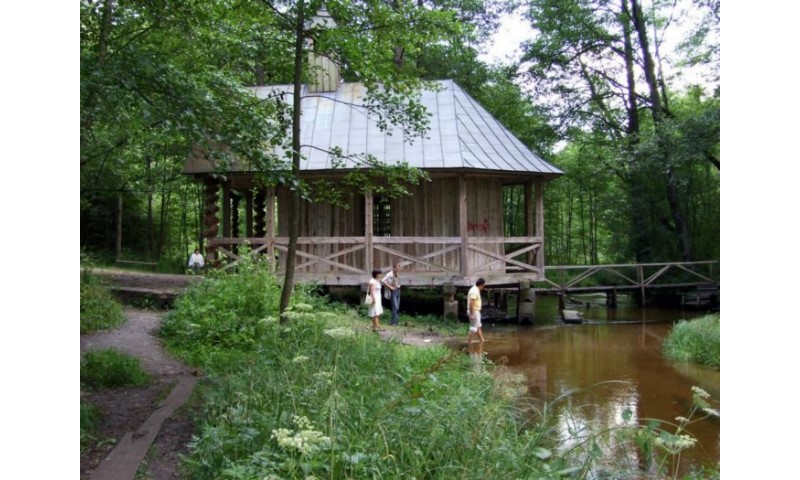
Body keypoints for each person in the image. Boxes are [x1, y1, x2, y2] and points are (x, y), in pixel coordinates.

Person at [467, 278, 486, 344]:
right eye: (483, 285)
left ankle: (482, 341)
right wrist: (472, 314)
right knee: (473, 329)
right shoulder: (474, 291)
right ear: (481, 285)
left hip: (475, 311)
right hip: (474, 311)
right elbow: (471, 303)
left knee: (478, 327)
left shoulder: (475, 289)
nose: (484, 287)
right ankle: (469, 343)